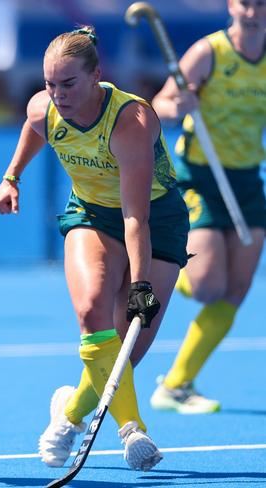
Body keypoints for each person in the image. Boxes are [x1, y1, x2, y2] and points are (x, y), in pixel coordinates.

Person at [0, 26, 189, 471]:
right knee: (91, 312)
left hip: (156, 217)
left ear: (97, 74)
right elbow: (34, 129)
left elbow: (136, 217)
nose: (57, 94)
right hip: (91, 214)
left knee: (126, 352)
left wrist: (140, 286)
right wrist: (11, 177)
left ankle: (69, 413)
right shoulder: (44, 109)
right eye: (50, 84)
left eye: (69, 83)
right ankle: (132, 429)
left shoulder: (130, 122)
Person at [149, 0, 266, 414]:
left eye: (261, 3)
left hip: (248, 180)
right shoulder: (209, 53)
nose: (253, 11)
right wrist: (178, 106)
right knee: (206, 285)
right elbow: (158, 104)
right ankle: (176, 270)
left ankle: (176, 385)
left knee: (235, 290)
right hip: (201, 176)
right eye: (245, 2)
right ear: (231, 6)